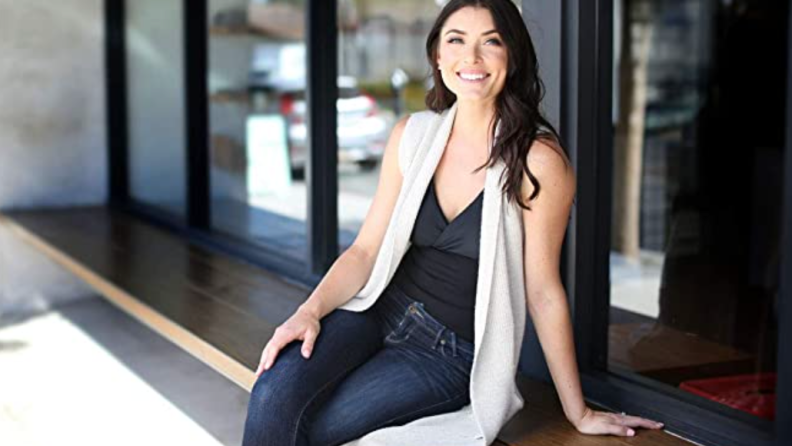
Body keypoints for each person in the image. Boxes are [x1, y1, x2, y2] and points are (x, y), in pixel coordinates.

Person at [242, 1, 665, 445]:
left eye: (491, 43)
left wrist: (577, 411)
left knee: (318, 429)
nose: (472, 58)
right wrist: (308, 312)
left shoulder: (538, 162)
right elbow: (365, 251)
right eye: (456, 40)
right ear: (438, 57)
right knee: (272, 395)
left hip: (446, 353)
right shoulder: (413, 135)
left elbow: (543, 291)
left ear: (513, 57)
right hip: (374, 310)